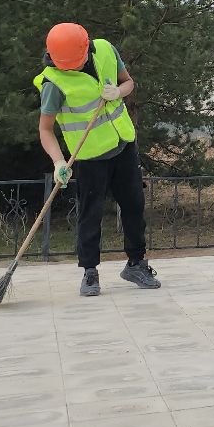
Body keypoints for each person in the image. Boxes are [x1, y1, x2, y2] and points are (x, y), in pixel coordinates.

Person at [34, 22, 160, 297]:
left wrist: (118, 92)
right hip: (90, 157)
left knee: (134, 206)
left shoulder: (105, 50)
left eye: (76, 63)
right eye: (66, 65)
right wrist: (58, 162)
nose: (73, 69)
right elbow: (45, 130)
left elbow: (129, 83)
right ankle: (89, 272)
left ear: (87, 48)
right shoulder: (53, 84)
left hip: (124, 145)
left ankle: (136, 264)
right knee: (90, 215)